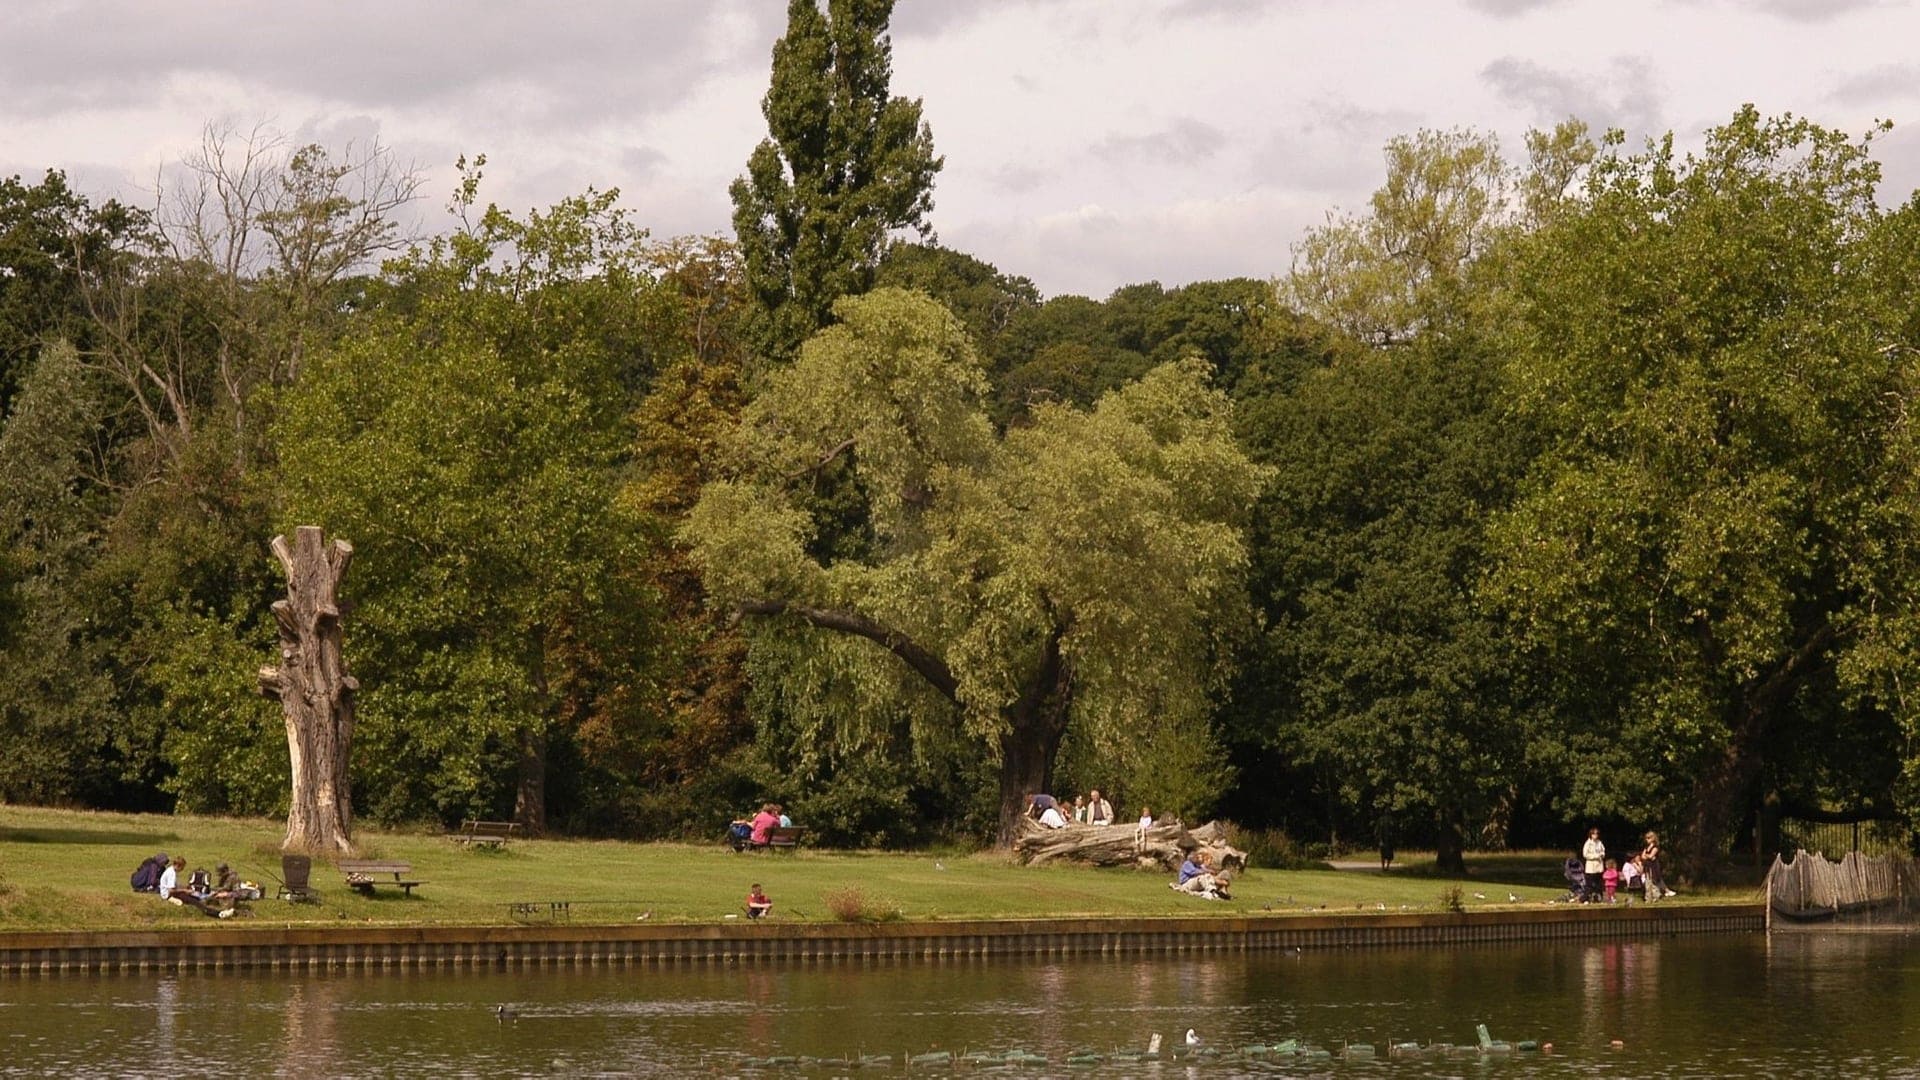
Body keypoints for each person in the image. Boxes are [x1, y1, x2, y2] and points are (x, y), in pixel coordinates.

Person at [1641, 831, 1674, 900]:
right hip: (1647, 866)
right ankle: (1648, 897)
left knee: (1655, 880)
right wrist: (1648, 856)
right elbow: (1643, 856)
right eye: (1646, 838)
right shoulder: (1646, 847)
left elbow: (1651, 856)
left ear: (1653, 838)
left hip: (1653, 866)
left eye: (1648, 838)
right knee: (1648, 881)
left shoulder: (1656, 847)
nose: (1647, 840)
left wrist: (1647, 856)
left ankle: (1657, 895)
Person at [1582, 828, 1606, 903]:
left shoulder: (1599, 843)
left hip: (1599, 866)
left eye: (1597, 834)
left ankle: (1598, 898)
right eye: (1594, 834)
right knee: (1589, 884)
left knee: (1598, 884)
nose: (1596, 835)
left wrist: (1601, 855)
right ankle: (1586, 898)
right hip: (1591, 866)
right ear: (1591, 835)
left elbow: (1603, 851)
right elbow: (1585, 854)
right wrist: (1595, 856)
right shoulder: (1588, 843)